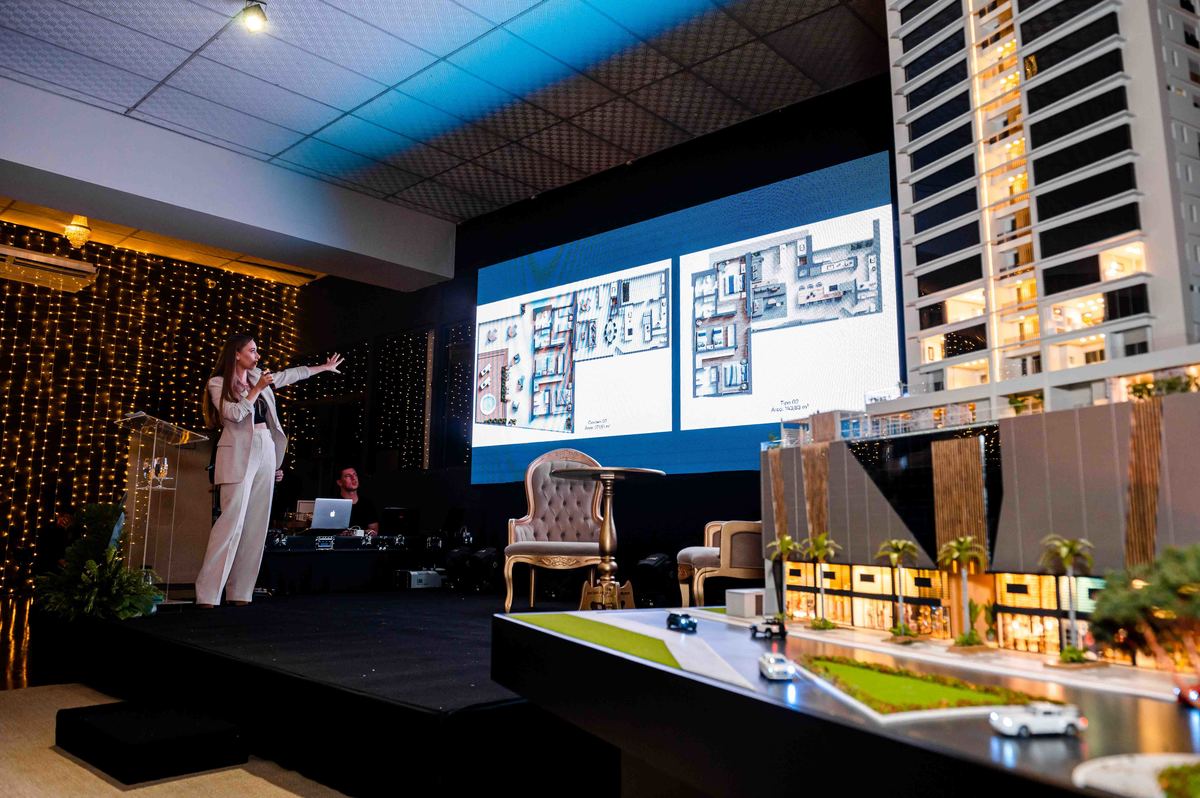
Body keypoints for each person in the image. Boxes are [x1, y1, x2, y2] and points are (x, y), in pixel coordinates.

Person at [196, 334, 343, 608]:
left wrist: (322, 368)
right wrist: (255, 390)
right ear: (236, 354)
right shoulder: (218, 383)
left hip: (265, 447)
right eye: (252, 351)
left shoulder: (257, 377)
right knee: (231, 523)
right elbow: (233, 415)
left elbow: (290, 375)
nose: (257, 356)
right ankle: (208, 594)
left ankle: (241, 592)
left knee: (256, 525)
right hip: (238, 451)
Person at [332, 465, 379, 535]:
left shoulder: (367, 504)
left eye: (355, 475)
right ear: (339, 482)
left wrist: (356, 533)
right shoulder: (333, 504)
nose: (353, 478)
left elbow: (374, 531)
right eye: (348, 476)